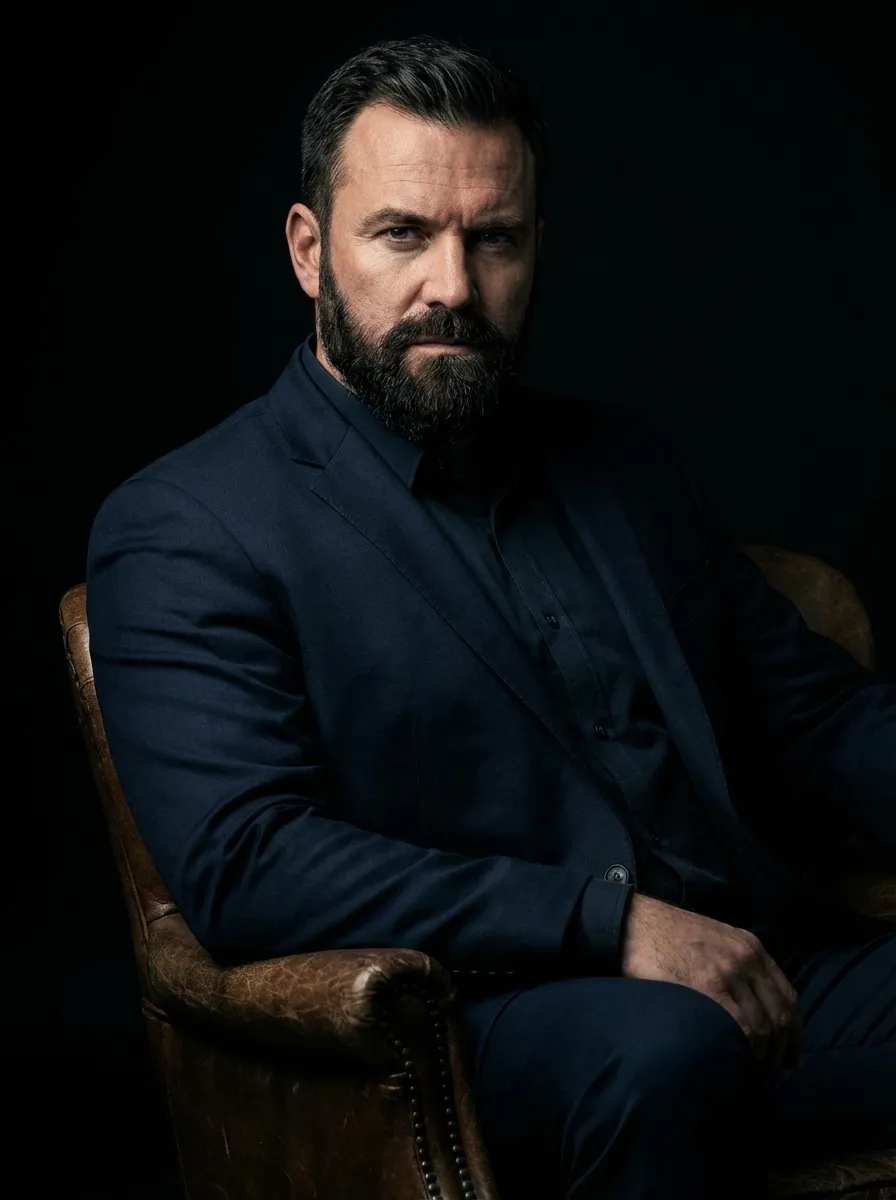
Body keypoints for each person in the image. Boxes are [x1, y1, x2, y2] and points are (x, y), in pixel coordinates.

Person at [87, 35, 895, 1199]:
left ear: (534, 251)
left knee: (708, 1052)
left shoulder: (622, 464)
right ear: (310, 252)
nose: (453, 288)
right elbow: (248, 860)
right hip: (487, 1012)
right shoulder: (186, 522)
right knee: (673, 1057)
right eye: (402, 233)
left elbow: (812, 719)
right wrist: (608, 926)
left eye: (493, 239)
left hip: (761, 962)